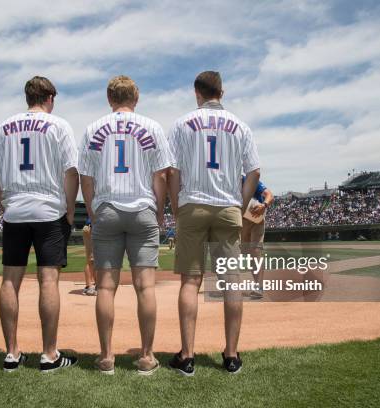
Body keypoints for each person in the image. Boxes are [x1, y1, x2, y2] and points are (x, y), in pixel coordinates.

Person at [0, 76, 79, 373]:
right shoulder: (59, 125)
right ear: (49, 97)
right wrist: (70, 211)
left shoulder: (2, 127)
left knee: (10, 280)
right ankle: (49, 355)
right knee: (48, 281)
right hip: (49, 210)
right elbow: (71, 172)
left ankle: (12, 354)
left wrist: (3, 203)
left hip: (15, 211)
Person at [79, 75, 173, 375]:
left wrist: (94, 212)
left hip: (106, 207)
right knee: (145, 287)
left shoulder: (93, 129)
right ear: (136, 98)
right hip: (142, 207)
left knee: (106, 286)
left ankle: (106, 357)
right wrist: (159, 211)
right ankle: (146, 356)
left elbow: (86, 178)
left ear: (110, 99)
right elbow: (162, 176)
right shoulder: (153, 126)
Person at [168, 71, 260, 375]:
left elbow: (173, 171)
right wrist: (240, 204)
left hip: (192, 203)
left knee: (190, 281)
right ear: (222, 92)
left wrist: (175, 206)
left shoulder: (182, 124)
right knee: (231, 282)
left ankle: (188, 356)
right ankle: (231, 355)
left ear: (197, 92)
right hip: (227, 206)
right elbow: (254, 173)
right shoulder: (241, 126)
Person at [241, 180, 273, 298]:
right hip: (241, 220)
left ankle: (259, 287)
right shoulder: (228, 182)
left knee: (256, 251)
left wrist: (264, 205)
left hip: (257, 218)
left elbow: (269, 195)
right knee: (247, 255)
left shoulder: (250, 180)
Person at [82, 217, 97, 296]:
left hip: (90, 227)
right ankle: (89, 286)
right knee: (91, 260)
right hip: (91, 228)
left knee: (93, 260)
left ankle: (94, 285)